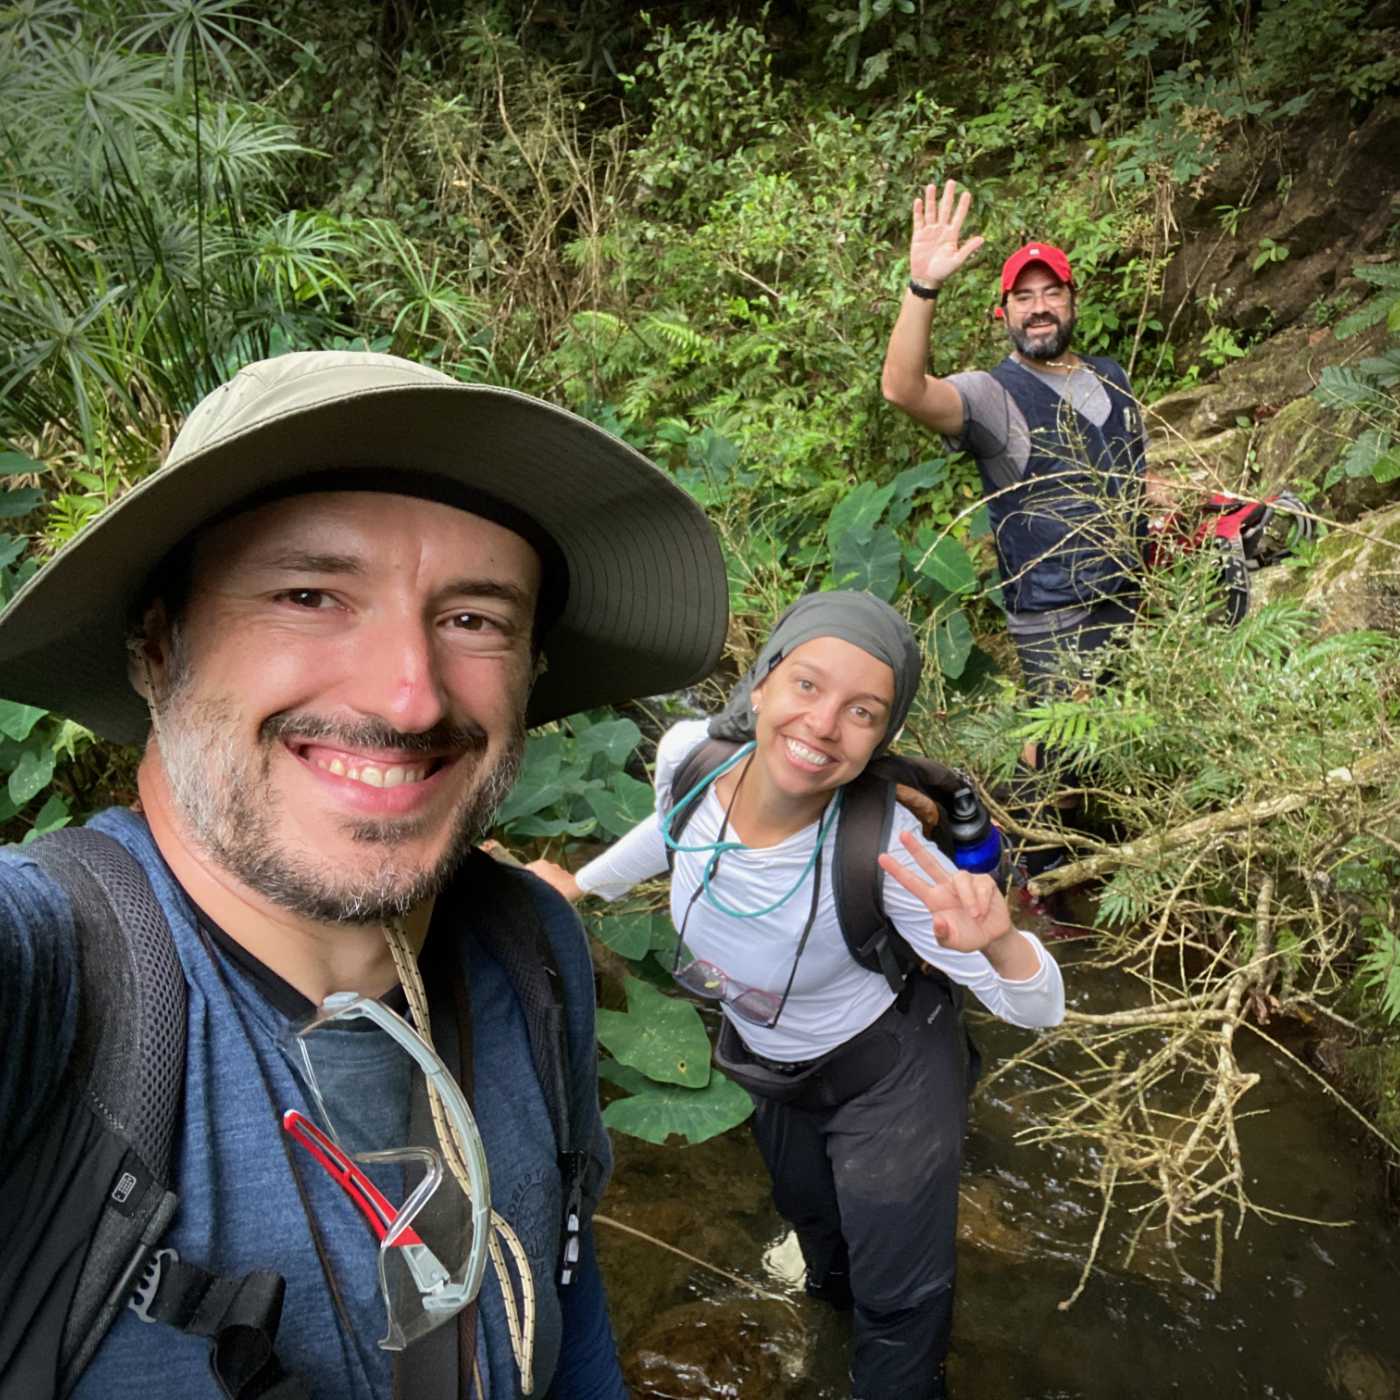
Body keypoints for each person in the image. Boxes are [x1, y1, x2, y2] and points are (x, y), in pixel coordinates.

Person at [0, 350, 729, 1399]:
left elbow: (568, 1335)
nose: (409, 699)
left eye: (474, 618)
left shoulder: (534, 946)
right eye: (309, 593)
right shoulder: (53, 976)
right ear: (158, 644)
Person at [527, 591, 1065, 1400]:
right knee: (817, 1231)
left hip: (890, 1078)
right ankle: (824, 1334)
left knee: (900, 1296)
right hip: (774, 1060)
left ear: (882, 737)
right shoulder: (691, 756)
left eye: (862, 711)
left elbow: (1040, 1010)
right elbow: (671, 827)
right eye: (808, 686)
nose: (822, 725)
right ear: (763, 681)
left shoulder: (884, 846)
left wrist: (998, 941)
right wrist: (582, 884)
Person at [880, 180, 1150, 880]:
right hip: (1054, 614)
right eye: (1023, 297)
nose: (1038, 308)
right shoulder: (990, 396)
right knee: (1055, 753)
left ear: (1071, 301)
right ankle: (1034, 881)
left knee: (1116, 747)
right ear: (1004, 312)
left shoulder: (1112, 378)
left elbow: (1132, 481)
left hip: (1128, 599)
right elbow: (903, 389)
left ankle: (1108, 865)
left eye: (1050, 292)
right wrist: (921, 285)